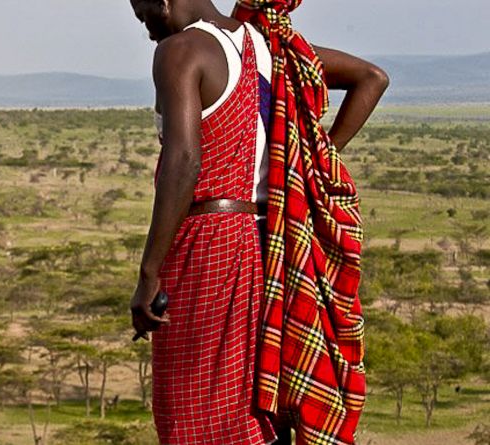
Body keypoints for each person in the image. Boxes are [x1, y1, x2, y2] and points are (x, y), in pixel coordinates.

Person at [126, 0, 388, 444]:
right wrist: (313, 161)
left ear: (165, 1)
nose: (147, 28)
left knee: (191, 406)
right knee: (248, 396)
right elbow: (372, 78)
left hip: (207, 242)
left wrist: (149, 271)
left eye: (143, 13)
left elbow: (184, 160)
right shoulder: (271, 49)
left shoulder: (181, 51)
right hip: (270, 242)